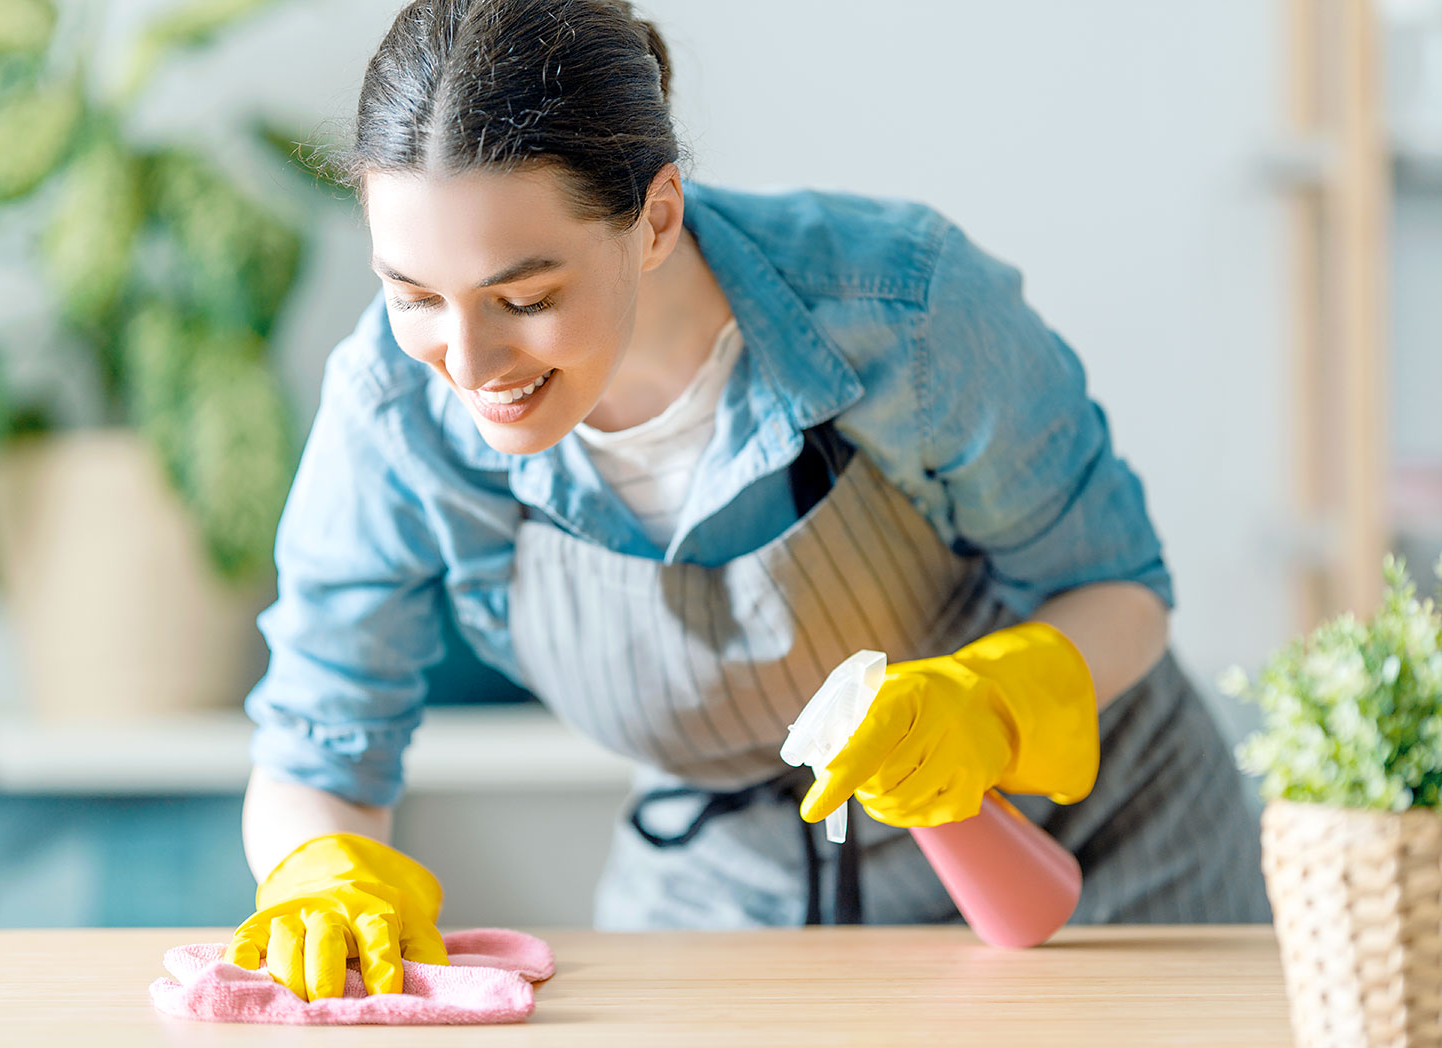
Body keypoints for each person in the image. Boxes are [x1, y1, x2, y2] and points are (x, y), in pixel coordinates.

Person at [225, 0, 1270, 1002]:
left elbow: (1119, 591)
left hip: (1103, 855)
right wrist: (321, 867)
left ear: (657, 216)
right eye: (412, 296)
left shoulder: (902, 310)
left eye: (526, 299)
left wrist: (988, 709)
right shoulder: (392, 407)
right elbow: (321, 740)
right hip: (730, 898)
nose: (466, 360)